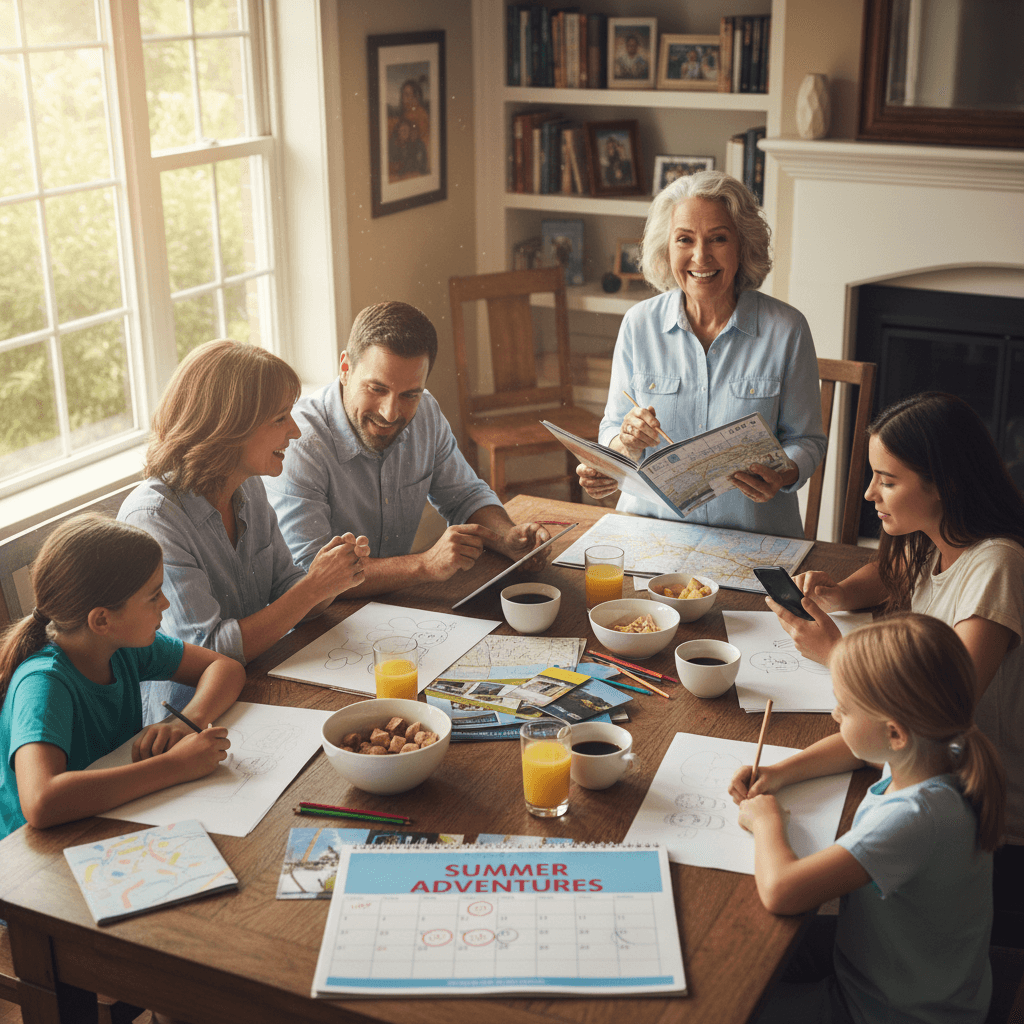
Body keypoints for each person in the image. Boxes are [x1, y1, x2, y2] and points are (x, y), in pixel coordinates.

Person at [764, 391, 1024, 925]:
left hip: (984, 813)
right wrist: (838, 595)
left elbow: (938, 709)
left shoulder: (998, 565)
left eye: (887, 479)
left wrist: (836, 654)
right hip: (911, 766)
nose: (868, 493)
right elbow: (890, 575)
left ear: (944, 485)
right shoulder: (933, 535)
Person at [729, 614, 1004, 1024]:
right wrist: (782, 771)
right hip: (897, 964)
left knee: (729, 1004)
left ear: (895, 733)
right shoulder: (937, 751)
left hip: (891, 1010)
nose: (836, 717)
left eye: (844, 707)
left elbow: (782, 892)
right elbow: (855, 747)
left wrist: (767, 821)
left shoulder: (915, 818)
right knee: (744, 954)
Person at [119, 340, 368, 723]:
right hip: (187, 723)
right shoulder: (153, 518)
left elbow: (289, 592)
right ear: (230, 428)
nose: (296, 431)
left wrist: (333, 577)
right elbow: (210, 650)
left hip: (257, 691)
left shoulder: (248, 487)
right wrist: (313, 588)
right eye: (280, 418)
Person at [577, 170, 826, 537]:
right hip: (652, 535)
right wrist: (622, 447)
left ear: (742, 245)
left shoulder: (786, 329)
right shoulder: (638, 324)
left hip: (753, 540)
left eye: (718, 239)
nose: (700, 256)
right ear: (667, 247)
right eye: (684, 239)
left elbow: (807, 441)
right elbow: (612, 429)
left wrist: (783, 472)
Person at [265, 301, 552, 595]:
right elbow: (311, 575)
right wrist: (425, 565)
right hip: (319, 624)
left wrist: (506, 537)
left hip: (394, 602)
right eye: (377, 389)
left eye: (409, 394)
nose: (390, 413)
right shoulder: (300, 443)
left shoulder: (425, 411)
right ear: (346, 368)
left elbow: (465, 496)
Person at [0, 514, 245, 842]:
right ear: (102, 619)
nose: (166, 603)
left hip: (113, 820)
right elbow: (42, 801)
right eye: (153, 595)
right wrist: (176, 766)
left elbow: (226, 668)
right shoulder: (43, 685)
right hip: (42, 857)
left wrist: (188, 720)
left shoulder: (123, 646)